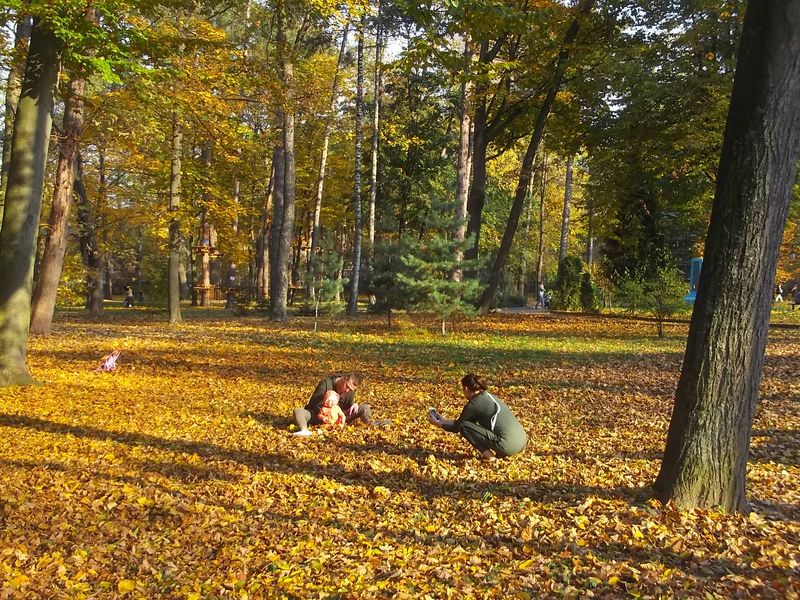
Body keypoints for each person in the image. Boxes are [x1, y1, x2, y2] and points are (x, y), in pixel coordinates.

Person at [428, 373, 527, 460]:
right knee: (465, 425)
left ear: (466, 389)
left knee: (464, 427)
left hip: (508, 446)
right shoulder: (489, 396)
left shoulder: (474, 404)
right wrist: (443, 420)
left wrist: (438, 424)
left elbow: (458, 427)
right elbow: (462, 422)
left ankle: (490, 457)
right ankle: (499, 452)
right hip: (521, 442)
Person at [292, 373, 387, 436]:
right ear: (344, 378)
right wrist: (326, 412)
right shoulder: (326, 384)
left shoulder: (349, 391)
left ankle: (372, 424)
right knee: (298, 411)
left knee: (364, 407)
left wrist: (354, 404)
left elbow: (348, 406)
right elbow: (313, 404)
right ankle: (304, 430)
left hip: (339, 417)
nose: (347, 390)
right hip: (320, 415)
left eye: (350, 389)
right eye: (347, 386)